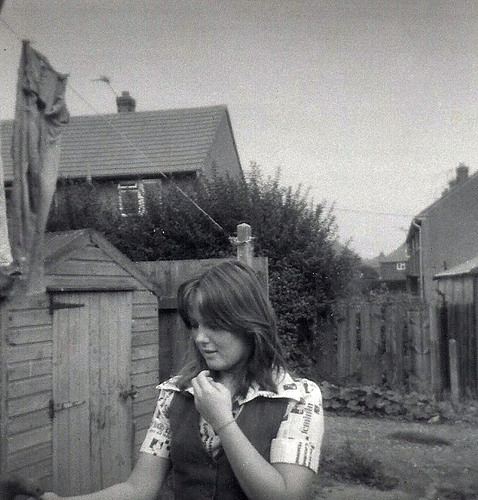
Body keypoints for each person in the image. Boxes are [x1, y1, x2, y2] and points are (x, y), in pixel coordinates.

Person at [42, 260, 324, 500]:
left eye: (214, 325)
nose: (200, 337)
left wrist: (223, 422)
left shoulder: (298, 397)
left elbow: (286, 496)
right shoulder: (177, 393)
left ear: (249, 324)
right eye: (195, 325)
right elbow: (139, 488)